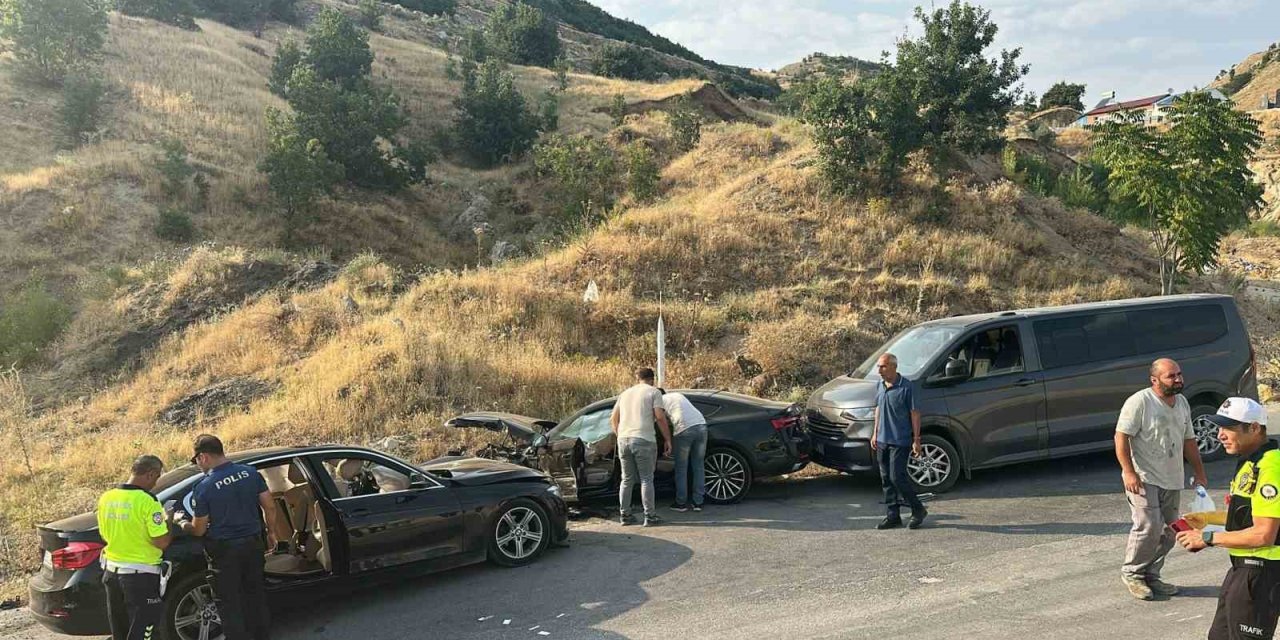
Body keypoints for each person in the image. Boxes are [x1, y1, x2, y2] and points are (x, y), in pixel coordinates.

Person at [1175, 397, 1278, 639]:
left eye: (1229, 427)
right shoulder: (1251, 463)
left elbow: (1264, 534)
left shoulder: (1271, 469)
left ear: (1254, 428)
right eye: (1219, 427)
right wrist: (1208, 518)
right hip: (1243, 570)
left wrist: (1207, 537)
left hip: (1261, 575)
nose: (1220, 434)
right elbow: (1251, 517)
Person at [1115, 358, 1208, 600]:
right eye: (1171, 376)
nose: (1178, 379)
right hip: (1143, 477)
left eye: (1179, 374)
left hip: (1172, 477)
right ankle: (1133, 573)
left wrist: (1199, 472)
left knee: (1171, 530)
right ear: (1154, 380)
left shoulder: (1182, 403)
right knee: (1149, 526)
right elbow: (1121, 437)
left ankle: (1151, 575)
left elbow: (1189, 440)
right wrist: (1128, 471)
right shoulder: (1140, 402)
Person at [174, 435, 279, 640]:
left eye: (196, 461)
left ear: (203, 457)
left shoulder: (204, 487)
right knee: (255, 596)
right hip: (253, 544)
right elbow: (270, 505)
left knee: (229, 603)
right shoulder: (250, 473)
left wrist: (180, 522)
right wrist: (271, 532)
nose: (198, 466)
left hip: (224, 553)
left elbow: (198, 529)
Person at [97, 455, 172, 640]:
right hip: (141, 577)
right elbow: (161, 542)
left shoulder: (107, 497)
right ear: (150, 474)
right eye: (156, 478)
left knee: (120, 631)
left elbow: (104, 534)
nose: (155, 483)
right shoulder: (148, 501)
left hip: (111, 573)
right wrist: (168, 521)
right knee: (144, 632)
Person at [870, 353, 927, 530]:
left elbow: (915, 413)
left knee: (897, 477)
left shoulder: (907, 387)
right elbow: (878, 408)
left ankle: (918, 510)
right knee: (886, 478)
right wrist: (875, 432)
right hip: (882, 440)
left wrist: (916, 440)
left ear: (894, 367)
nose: (879, 370)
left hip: (900, 440)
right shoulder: (880, 385)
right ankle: (892, 515)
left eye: (883, 366)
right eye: (878, 367)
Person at [610, 367, 673, 527]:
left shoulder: (625, 394)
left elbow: (613, 418)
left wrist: (620, 435)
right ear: (652, 379)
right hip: (644, 439)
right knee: (646, 479)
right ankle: (650, 516)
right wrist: (667, 439)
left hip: (623, 439)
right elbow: (659, 416)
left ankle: (625, 515)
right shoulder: (654, 392)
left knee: (627, 479)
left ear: (637, 379)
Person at [661, 388, 708, 512]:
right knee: (698, 465)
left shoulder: (659, 401)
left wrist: (667, 440)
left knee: (681, 468)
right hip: (701, 426)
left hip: (684, 430)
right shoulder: (677, 395)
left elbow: (661, 421)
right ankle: (698, 502)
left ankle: (681, 503)